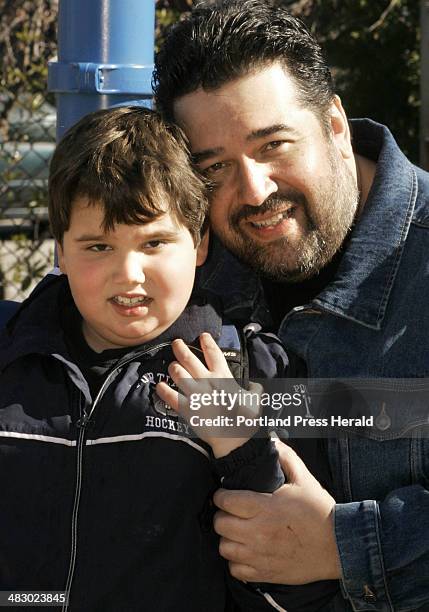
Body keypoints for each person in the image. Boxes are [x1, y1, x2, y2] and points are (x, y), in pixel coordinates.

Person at [153, 1, 429, 610]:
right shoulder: (185, 280)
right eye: (216, 168)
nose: (253, 190)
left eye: (273, 144)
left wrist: (347, 547)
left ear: (334, 123)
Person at [0, 105, 309, 612]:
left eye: (155, 242)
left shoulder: (253, 374)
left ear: (200, 242)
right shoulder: (12, 357)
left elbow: (296, 593)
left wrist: (243, 452)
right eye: (98, 246)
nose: (129, 274)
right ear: (60, 250)